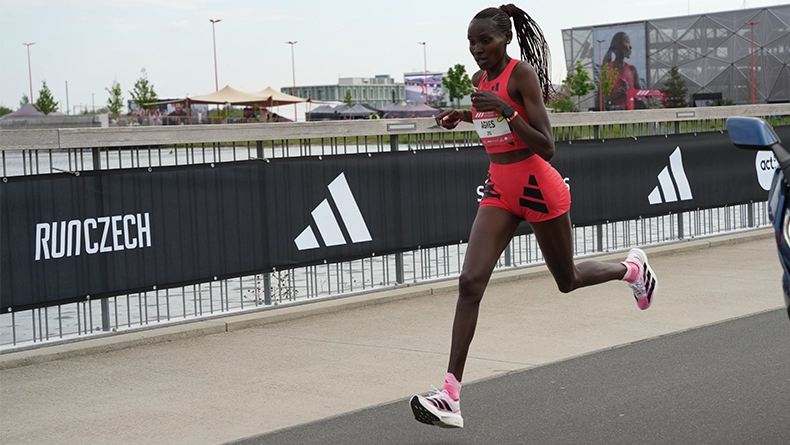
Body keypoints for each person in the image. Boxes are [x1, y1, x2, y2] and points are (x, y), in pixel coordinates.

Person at [409, 4, 658, 429]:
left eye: (484, 40)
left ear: (505, 39)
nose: (477, 49)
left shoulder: (520, 75)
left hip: (538, 188)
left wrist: (504, 109)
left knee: (568, 280)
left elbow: (546, 144)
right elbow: (494, 124)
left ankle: (632, 269)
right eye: (472, 43)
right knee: (470, 282)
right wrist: (466, 115)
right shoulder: (478, 80)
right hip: (500, 189)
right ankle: (450, 395)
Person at [601, 31, 643, 109]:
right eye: (627, 42)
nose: (630, 47)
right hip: (612, 113)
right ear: (618, 45)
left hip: (630, 113)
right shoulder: (607, 70)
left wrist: (628, 93)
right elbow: (601, 100)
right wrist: (618, 95)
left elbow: (641, 96)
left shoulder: (632, 69)